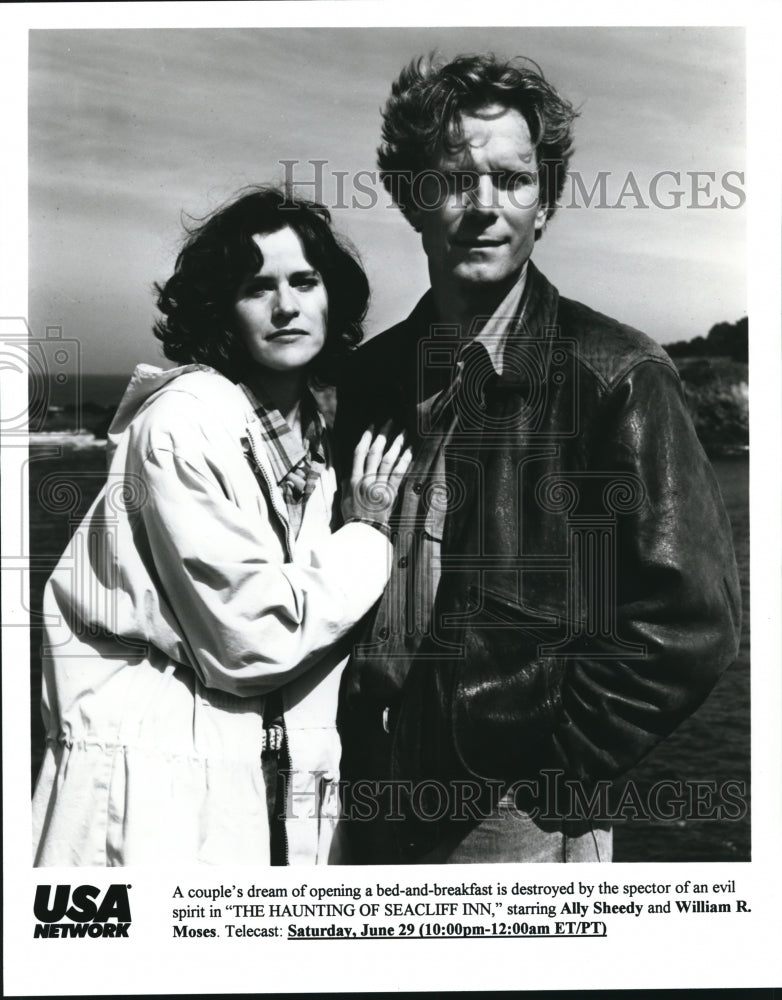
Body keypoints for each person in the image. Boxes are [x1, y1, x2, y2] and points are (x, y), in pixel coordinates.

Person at [336, 54, 742, 864]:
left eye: (514, 180)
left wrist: (551, 771)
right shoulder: (371, 376)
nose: (485, 206)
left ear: (545, 205)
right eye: (456, 179)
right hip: (365, 789)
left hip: (514, 817)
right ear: (412, 198)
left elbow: (690, 621)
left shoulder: (615, 375)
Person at [32, 186, 411, 867]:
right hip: (155, 795)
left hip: (262, 793)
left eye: (305, 281)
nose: (286, 306)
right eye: (256, 287)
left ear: (333, 297)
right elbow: (251, 639)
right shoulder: (183, 423)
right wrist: (369, 533)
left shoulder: (319, 440)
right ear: (221, 310)